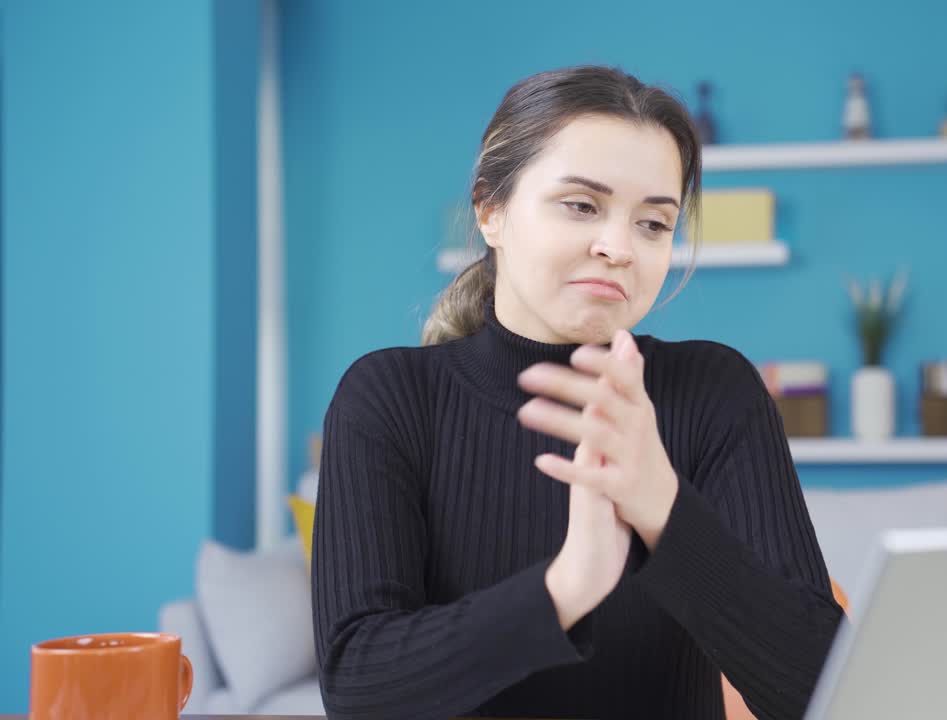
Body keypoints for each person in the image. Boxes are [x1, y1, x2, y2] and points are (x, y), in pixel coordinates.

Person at [311, 65, 843, 720]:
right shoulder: (389, 398)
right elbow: (359, 690)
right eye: (582, 205)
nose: (618, 246)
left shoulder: (716, 392)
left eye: (653, 223)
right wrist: (566, 588)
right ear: (490, 211)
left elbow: (824, 692)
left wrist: (661, 506)